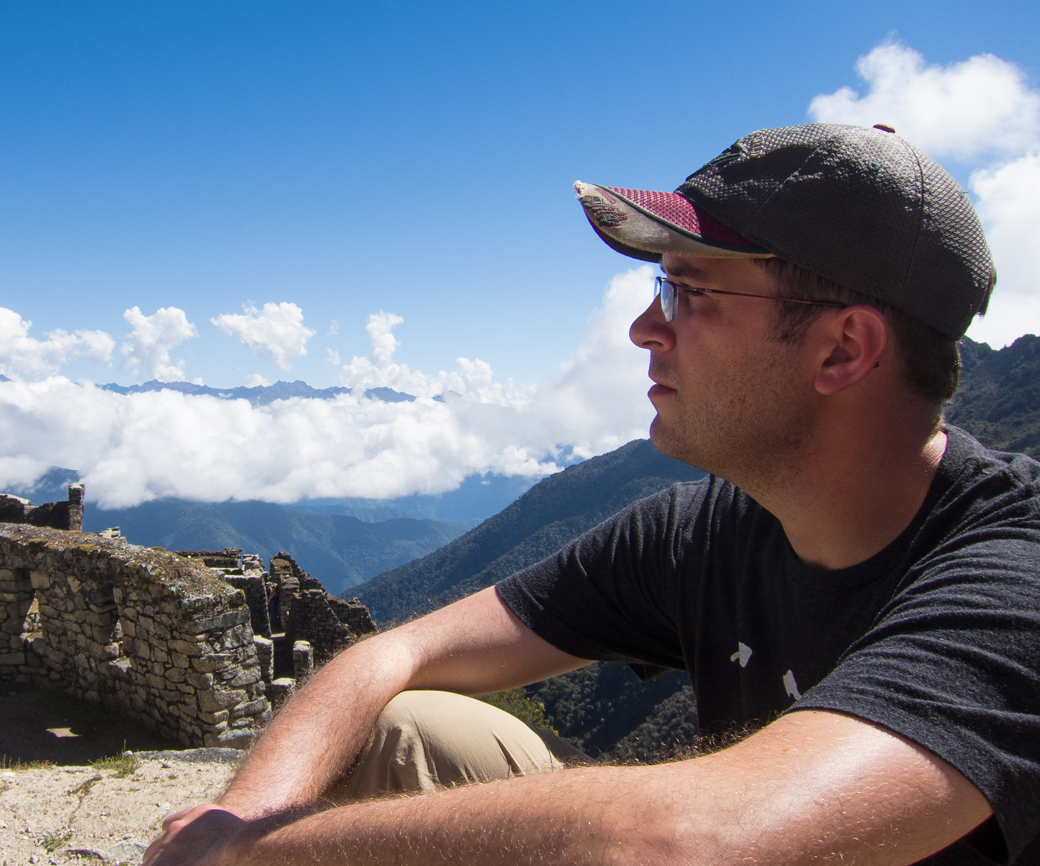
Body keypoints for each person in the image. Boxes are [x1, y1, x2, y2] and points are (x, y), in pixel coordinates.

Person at [144, 124, 1040, 865]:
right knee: (406, 725)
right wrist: (242, 818)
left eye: (688, 290)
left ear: (842, 350)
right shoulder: (710, 532)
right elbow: (389, 656)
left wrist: (262, 854)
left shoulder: (1013, 580)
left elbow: (686, 844)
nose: (644, 327)